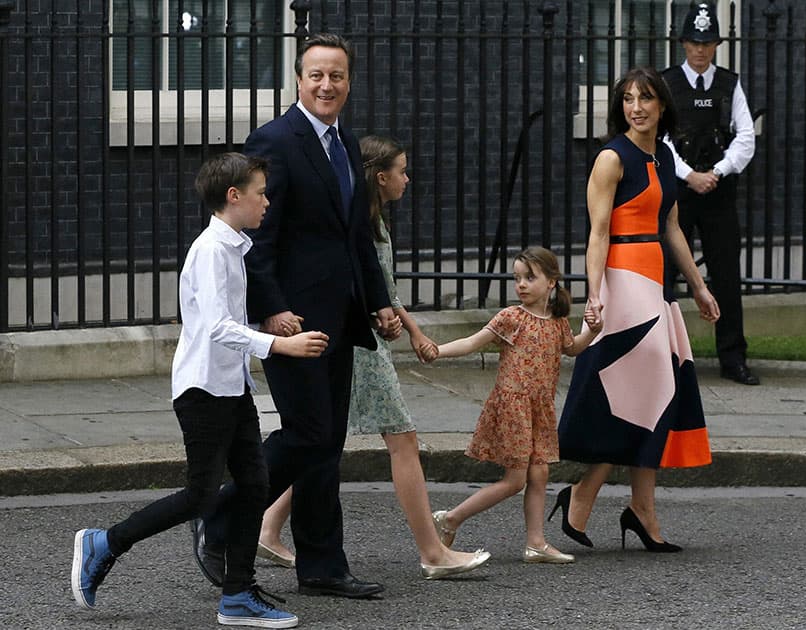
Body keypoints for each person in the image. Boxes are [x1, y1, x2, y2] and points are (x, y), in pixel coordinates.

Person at [71, 152, 331, 628]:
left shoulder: (232, 248)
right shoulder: (211, 251)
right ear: (234, 197)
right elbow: (215, 327)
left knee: (255, 485)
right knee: (200, 496)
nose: (267, 202)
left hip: (230, 386)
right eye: (260, 192)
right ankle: (106, 542)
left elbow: (223, 322)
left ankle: (236, 597)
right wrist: (280, 344)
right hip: (203, 391)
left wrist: (265, 330)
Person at [192, 33, 403, 600]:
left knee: (326, 440)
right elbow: (258, 238)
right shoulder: (275, 141)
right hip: (290, 324)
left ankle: (322, 565)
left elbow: (355, 234)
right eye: (316, 75)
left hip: (339, 317)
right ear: (299, 80)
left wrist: (380, 301)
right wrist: (273, 309)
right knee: (308, 432)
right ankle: (219, 518)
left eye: (336, 75)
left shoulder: (346, 142)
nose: (326, 85)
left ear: (349, 82)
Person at [256, 135, 491, 580]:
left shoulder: (372, 220)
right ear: (380, 177)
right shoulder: (361, 223)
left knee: (323, 443)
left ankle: (267, 526)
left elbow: (384, 292)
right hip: (361, 346)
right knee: (400, 439)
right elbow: (372, 289)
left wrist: (412, 328)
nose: (407, 178)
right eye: (402, 170)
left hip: (366, 338)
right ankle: (433, 552)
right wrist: (410, 329)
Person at [555, 67, 719, 553]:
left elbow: (671, 227)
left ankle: (631, 507)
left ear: (662, 105)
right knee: (650, 389)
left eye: (646, 98)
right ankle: (600, 497)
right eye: (628, 99)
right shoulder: (611, 157)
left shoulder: (665, 155)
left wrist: (699, 286)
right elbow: (598, 232)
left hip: (656, 281)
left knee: (652, 393)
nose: (637, 107)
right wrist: (595, 292)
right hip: (624, 279)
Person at [423, 246, 603, 565]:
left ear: (551, 282)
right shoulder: (511, 317)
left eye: (529, 277)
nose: (520, 284)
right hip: (513, 406)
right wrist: (437, 350)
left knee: (540, 473)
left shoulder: (558, 322)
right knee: (515, 481)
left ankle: (536, 543)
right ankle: (450, 519)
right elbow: (472, 342)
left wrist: (593, 330)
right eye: (517, 277)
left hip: (540, 408)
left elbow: (573, 348)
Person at [661, 1, 758, 385]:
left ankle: (732, 357)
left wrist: (715, 172)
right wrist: (689, 175)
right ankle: (664, 357)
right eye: (694, 42)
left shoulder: (729, 84)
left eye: (708, 42)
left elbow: (745, 138)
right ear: (683, 43)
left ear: (716, 44)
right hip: (679, 195)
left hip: (717, 193)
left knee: (726, 275)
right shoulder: (666, 83)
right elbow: (659, 138)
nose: (700, 49)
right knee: (666, 274)